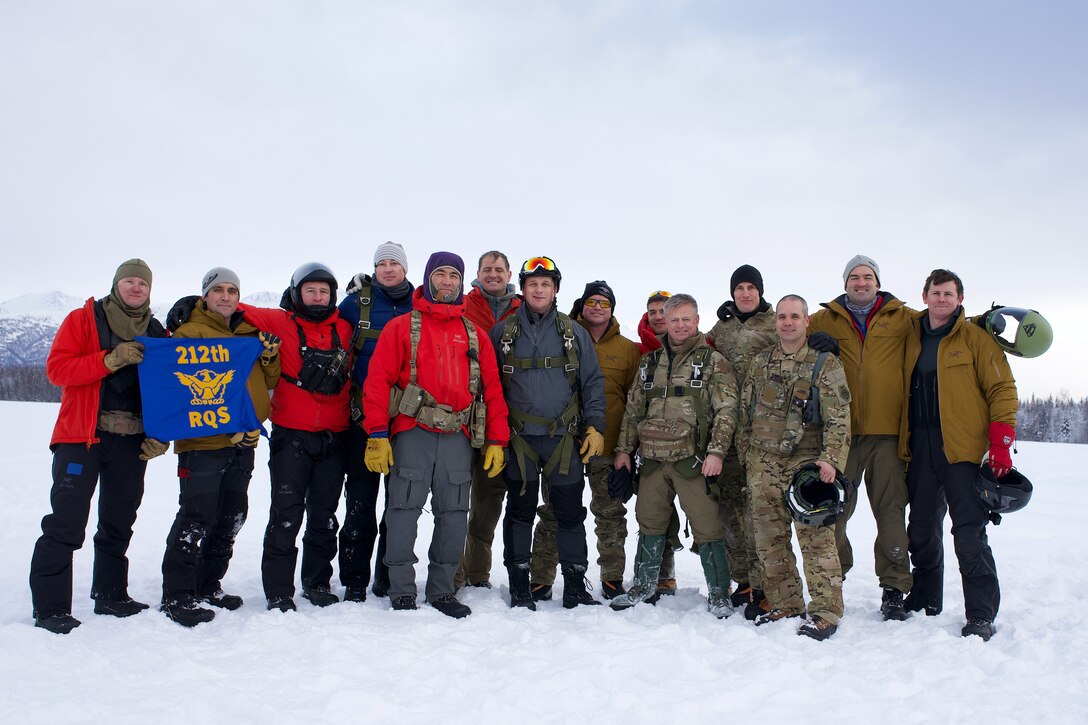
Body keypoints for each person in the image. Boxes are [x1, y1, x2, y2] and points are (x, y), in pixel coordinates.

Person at [362, 252, 509, 617]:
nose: (447, 281)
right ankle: (401, 589)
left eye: (453, 276)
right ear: (428, 279)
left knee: (455, 514)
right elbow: (377, 382)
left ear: (462, 282)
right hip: (413, 432)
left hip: (458, 435)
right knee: (402, 511)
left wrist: (497, 439)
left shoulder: (473, 334)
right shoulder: (402, 327)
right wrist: (377, 433)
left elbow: (492, 390)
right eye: (440, 274)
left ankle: (443, 590)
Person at [30, 259, 169, 634]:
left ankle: (110, 594)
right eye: (130, 281)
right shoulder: (83, 320)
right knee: (66, 523)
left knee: (118, 521)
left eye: (143, 283)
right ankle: (50, 607)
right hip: (83, 437)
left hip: (131, 441)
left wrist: (161, 435)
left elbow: (165, 391)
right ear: (116, 285)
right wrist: (109, 359)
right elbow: (58, 370)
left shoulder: (157, 331)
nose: (136, 288)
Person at [158, 268, 281, 627]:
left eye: (231, 290)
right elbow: (180, 392)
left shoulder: (247, 333)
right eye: (218, 290)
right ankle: (177, 594)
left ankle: (207, 583)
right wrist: (226, 427)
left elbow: (268, 380)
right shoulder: (188, 332)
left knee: (231, 516)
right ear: (205, 296)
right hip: (203, 443)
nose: (225, 296)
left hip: (245, 440)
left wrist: (270, 356)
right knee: (197, 516)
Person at [898, 269, 1017, 641]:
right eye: (936, 293)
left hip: (963, 450)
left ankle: (980, 613)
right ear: (924, 295)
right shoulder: (910, 334)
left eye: (949, 294)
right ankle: (925, 599)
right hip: (921, 445)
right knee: (920, 529)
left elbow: (1002, 388)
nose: (942, 299)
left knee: (969, 533)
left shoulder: (976, 339)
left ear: (960, 300)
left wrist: (1000, 443)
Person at [610, 294, 739, 617]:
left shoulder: (712, 361)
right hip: (652, 459)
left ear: (697, 321)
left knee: (707, 526)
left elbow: (727, 410)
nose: (680, 325)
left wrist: (717, 451)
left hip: (694, 460)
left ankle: (720, 592)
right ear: (664, 322)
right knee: (649, 522)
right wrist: (624, 451)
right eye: (674, 319)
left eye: (687, 319)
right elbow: (633, 410)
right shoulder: (650, 363)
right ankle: (643, 584)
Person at [493, 256, 607, 609]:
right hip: (519, 439)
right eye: (532, 284)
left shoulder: (575, 334)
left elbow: (592, 383)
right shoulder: (503, 333)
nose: (539, 289)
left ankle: (575, 584)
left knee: (571, 512)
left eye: (546, 284)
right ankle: (519, 584)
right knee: (520, 510)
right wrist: (494, 437)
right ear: (523, 289)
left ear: (555, 289)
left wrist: (596, 427)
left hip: (563, 439)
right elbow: (490, 387)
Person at [807, 254, 915, 620]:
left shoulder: (903, 318)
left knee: (890, 514)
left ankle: (894, 587)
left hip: (887, 434)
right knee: (834, 511)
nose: (861, 282)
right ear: (845, 283)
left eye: (867, 276)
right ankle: (835, 575)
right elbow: (787, 330)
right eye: (854, 277)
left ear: (877, 282)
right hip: (842, 435)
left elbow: (941, 320)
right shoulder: (824, 319)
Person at [739, 295, 852, 640]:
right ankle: (785, 602)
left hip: (806, 465)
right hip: (762, 464)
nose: (787, 322)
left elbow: (840, 419)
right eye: (782, 317)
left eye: (795, 317)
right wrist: (747, 455)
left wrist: (830, 460)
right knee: (769, 540)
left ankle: (825, 610)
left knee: (816, 539)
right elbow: (745, 412)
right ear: (775, 322)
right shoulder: (760, 363)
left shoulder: (824, 364)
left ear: (806, 321)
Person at [241, 262, 353, 612]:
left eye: (324, 291)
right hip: (292, 437)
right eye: (310, 290)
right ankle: (278, 590)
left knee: (324, 516)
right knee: (286, 514)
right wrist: (190, 302)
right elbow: (230, 307)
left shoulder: (347, 330)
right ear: (296, 293)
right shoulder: (279, 322)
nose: (318, 297)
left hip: (335, 438)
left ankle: (317, 582)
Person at [531, 281, 640, 599]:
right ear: (581, 304)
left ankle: (611, 577)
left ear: (612, 310)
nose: (597, 307)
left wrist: (626, 450)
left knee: (609, 513)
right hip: (562, 444)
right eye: (591, 301)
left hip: (606, 446)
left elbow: (634, 402)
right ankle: (541, 577)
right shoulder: (560, 337)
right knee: (553, 510)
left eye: (604, 304)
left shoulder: (627, 350)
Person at [336, 241, 414, 601]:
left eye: (393, 263)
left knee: (398, 506)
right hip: (363, 420)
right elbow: (317, 324)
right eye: (381, 263)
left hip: (408, 422)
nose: (387, 269)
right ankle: (354, 579)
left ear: (405, 269)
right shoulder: (356, 304)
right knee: (360, 502)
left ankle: (386, 576)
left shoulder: (420, 304)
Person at [705, 264, 777, 618]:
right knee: (729, 507)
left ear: (761, 291)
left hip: (762, 427)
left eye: (751, 287)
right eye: (740, 288)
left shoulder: (775, 324)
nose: (745, 293)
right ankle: (743, 579)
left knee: (758, 511)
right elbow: (700, 351)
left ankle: (765, 584)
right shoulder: (722, 328)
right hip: (726, 428)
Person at [455, 250, 522, 590]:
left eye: (499, 269)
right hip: (464, 413)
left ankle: (479, 571)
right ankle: (457, 572)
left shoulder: (525, 310)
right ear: (477, 274)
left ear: (509, 273)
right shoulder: (462, 307)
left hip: (511, 415)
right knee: (454, 498)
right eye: (487, 269)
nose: (493, 274)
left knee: (491, 496)